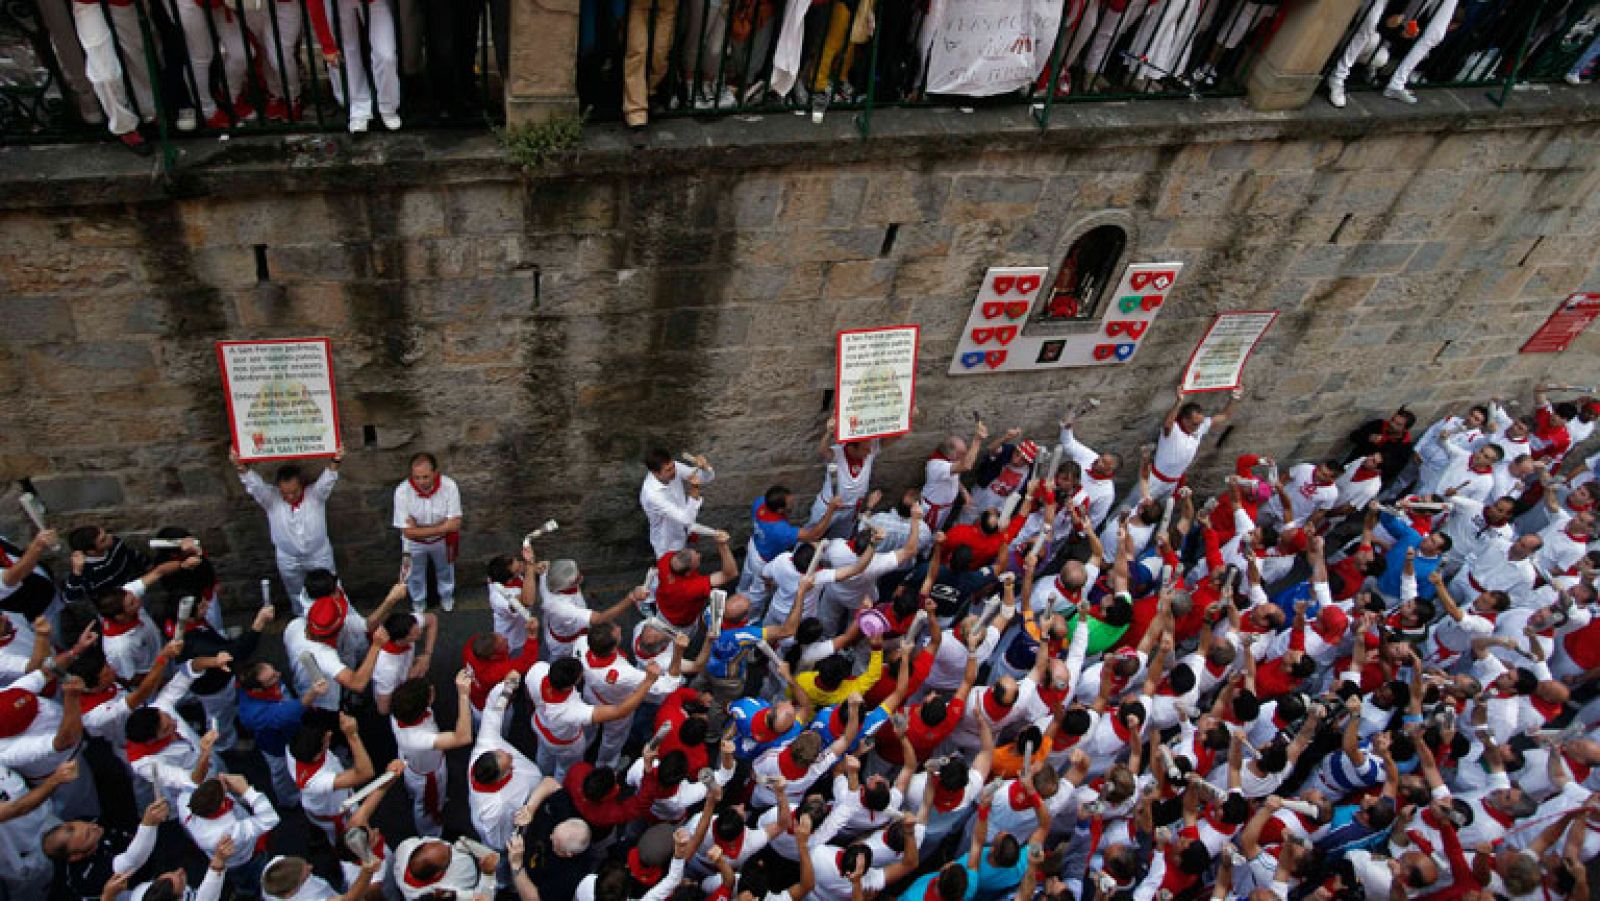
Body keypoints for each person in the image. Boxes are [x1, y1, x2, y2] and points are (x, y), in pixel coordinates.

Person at [233, 449, 341, 608]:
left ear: (302, 485)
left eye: (294, 492)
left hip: (318, 554)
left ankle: (335, 614)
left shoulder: (315, 495)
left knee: (330, 587)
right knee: (295, 591)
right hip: (288, 558)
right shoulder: (271, 499)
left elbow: (328, 478)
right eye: (285, 493)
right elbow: (255, 486)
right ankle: (302, 616)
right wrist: (241, 467)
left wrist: (336, 459)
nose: (290, 497)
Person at [391, 670, 475, 837]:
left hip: (413, 763)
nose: (432, 688)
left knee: (415, 792)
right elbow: (464, 737)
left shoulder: (399, 712)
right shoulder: (418, 738)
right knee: (426, 807)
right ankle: (431, 834)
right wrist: (463, 695)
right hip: (428, 775)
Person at [394, 453, 463, 613]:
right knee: (414, 574)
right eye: (417, 477)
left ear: (435, 473)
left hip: (442, 540)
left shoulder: (449, 486)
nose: (421, 482)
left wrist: (418, 528)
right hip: (414, 543)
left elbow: (455, 523)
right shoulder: (402, 491)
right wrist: (442, 526)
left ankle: (446, 596)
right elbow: (408, 532)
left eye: (425, 477)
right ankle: (418, 601)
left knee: (446, 570)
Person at [640, 449, 715, 558]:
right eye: (668, 470)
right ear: (655, 473)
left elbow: (706, 478)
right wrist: (695, 488)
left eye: (673, 466)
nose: (674, 471)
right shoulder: (652, 495)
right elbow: (686, 519)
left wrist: (705, 467)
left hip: (685, 532)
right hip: (668, 545)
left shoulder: (674, 467)